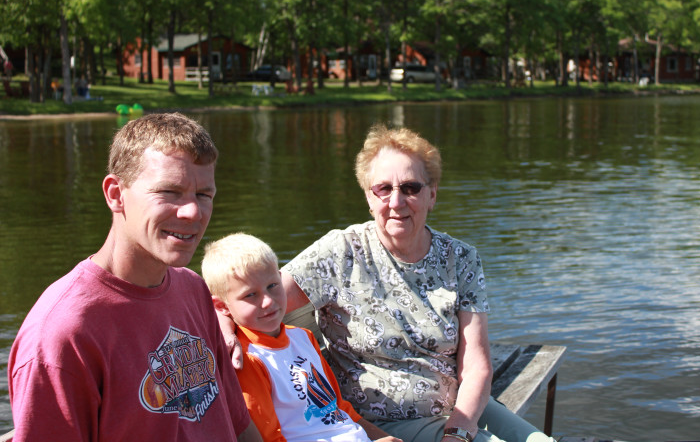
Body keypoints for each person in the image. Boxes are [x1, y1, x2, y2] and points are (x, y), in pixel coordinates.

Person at [222, 124, 554, 442]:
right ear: (369, 198)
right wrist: (222, 322)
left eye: (411, 187)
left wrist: (459, 430)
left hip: (456, 408)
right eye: (384, 189)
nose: (396, 202)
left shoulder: (460, 259)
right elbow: (258, 296)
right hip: (382, 422)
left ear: (432, 196)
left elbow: (477, 364)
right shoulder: (340, 252)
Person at [8, 113, 261, 442]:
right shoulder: (62, 335)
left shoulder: (192, 289)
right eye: (170, 192)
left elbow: (237, 425)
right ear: (115, 194)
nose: (193, 212)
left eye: (204, 195)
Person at [202, 232, 403, 442]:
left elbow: (340, 409)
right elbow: (268, 437)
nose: (268, 301)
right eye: (250, 295)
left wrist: (385, 438)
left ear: (281, 278)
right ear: (222, 306)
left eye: (272, 286)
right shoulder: (248, 359)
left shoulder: (303, 337)